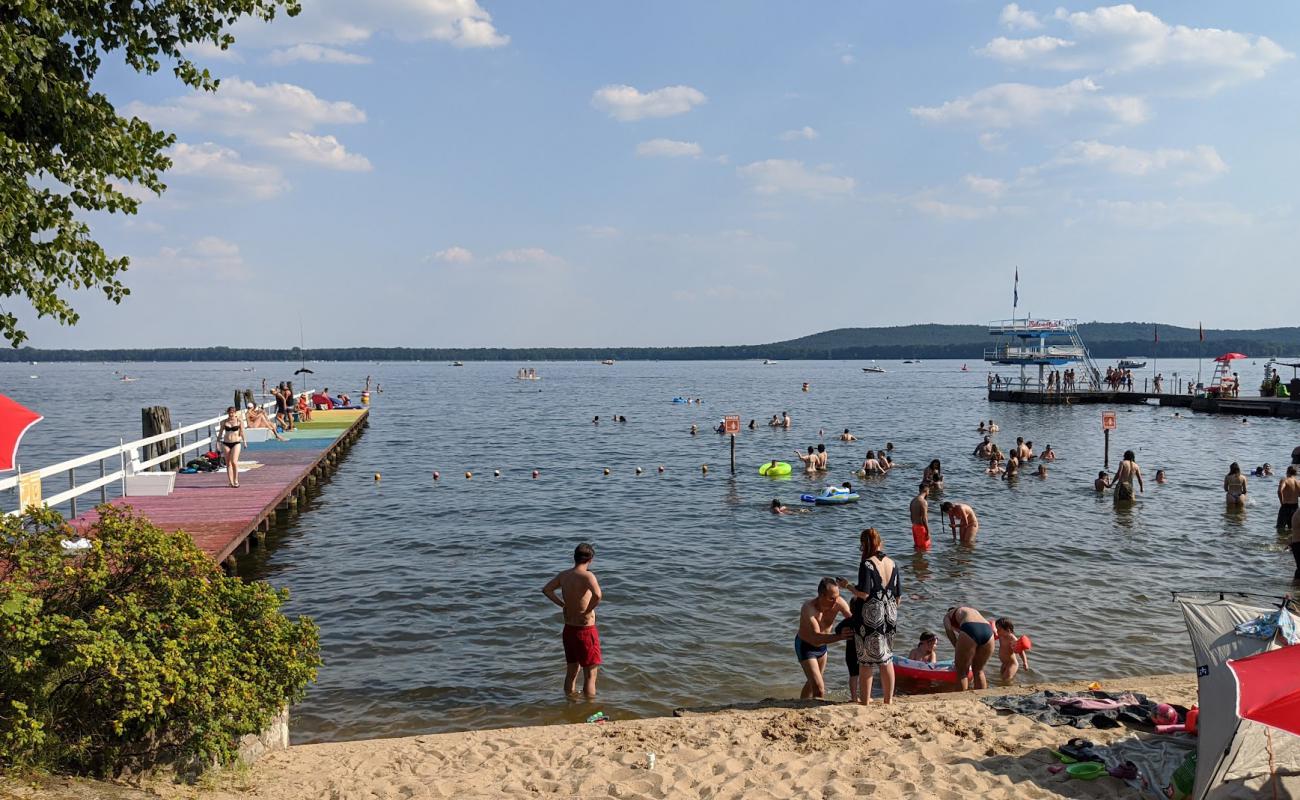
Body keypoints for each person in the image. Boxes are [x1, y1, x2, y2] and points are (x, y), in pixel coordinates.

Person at [837, 528, 900, 704]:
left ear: (864, 545)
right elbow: (898, 596)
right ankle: (888, 701)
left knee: (866, 661)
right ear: (880, 542)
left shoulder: (867, 564)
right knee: (886, 657)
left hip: (871, 616)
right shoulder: (893, 563)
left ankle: (864, 701)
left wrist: (846, 585)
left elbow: (863, 594)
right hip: (890, 614)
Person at [541, 543, 603, 698]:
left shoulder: (564, 575)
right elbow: (598, 595)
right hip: (585, 629)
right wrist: (588, 610)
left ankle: (570, 704)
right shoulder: (588, 576)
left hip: (569, 629)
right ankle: (590, 708)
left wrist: (563, 604)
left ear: (574, 558)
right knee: (590, 674)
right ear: (591, 560)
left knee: (571, 671)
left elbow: (546, 590)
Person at [795, 578, 853, 700]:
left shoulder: (839, 603)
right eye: (831, 598)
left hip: (822, 648)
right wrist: (840, 636)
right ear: (822, 595)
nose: (835, 601)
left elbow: (852, 619)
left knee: (814, 683)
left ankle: (802, 703)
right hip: (806, 647)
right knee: (819, 689)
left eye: (837, 597)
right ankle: (814, 711)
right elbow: (816, 636)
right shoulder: (809, 608)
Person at [944, 606, 995, 691]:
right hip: (988, 630)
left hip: (970, 627)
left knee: (962, 671)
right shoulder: (969, 611)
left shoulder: (947, 616)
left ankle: (961, 699)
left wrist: (958, 650)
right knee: (978, 670)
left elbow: (950, 634)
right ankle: (982, 698)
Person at [832, 618, 860, 701]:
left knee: (853, 675)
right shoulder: (868, 620)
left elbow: (837, 630)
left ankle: (854, 697)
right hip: (865, 652)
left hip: (850, 653)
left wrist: (843, 631)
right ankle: (865, 696)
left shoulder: (849, 620)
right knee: (866, 674)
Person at [995, 618, 1030, 682]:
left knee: (1006, 679)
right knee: (1002, 679)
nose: (997, 631)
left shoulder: (1012, 639)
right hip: (1004, 663)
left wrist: (1025, 662)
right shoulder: (1001, 636)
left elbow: (1021, 651)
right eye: (997, 629)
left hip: (1012, 664)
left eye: (999, 629)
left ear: (1007, 630)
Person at [218, 406, 245, 487]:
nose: (231, 414)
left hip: (236, 442)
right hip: (226, 443)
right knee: (228, 463)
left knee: (234, 462)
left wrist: (245, 442)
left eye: (232, 413)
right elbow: (220, 433)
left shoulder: (239, 421)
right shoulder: (224, 422)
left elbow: (242, 432)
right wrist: (217, 443)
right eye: (229, 413)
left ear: (235, 413)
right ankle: (230, 482)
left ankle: (236, 480)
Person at [910, 482, 932, 550]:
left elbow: (911, 516)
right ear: (926, 490)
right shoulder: (923, 502)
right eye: (929, 490)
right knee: (924, 549)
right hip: (920, 528)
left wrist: (915, 526)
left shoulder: (913, 500)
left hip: (914, 527)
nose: (929, 492)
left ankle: (916, 560)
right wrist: (928, 532)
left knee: (917, 547)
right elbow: (924, 518)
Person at [1278, 466, 1300, 530]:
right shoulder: (1298, 482)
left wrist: (1282, 503)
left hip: (1286, 506)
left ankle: (1281, 539)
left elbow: (1279, 491)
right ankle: (1290, 539)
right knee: (1293, 528)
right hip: (1295, 507)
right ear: (1295, 473)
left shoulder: (1285, 480)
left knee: (1280, 528)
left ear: (1287, 471)